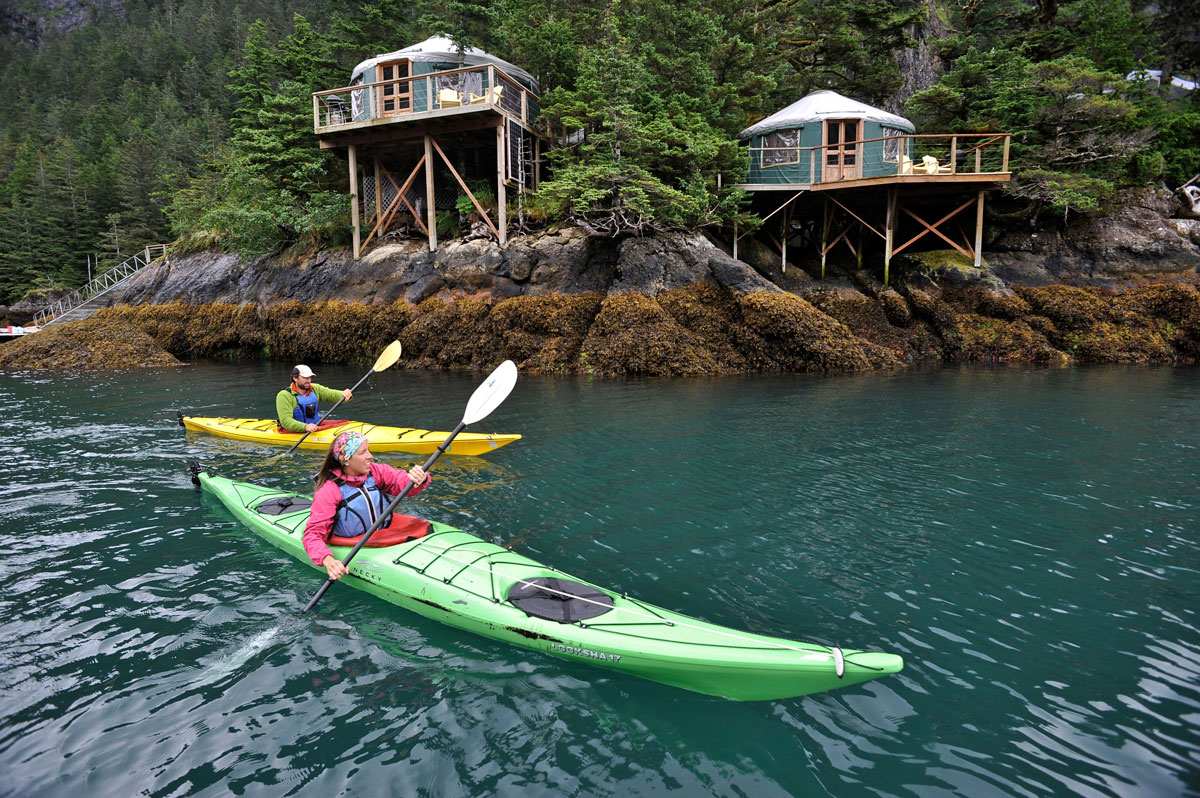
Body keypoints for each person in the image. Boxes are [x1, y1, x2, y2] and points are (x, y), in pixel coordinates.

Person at [303, 430, 430, 581]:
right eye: (363, 452)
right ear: (347, 460)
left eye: (368, 450)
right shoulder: (329, 490)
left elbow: (400, 482)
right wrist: (328, 561)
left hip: (386, 535)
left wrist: (418, 478)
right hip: (354, 542)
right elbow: (312, 535)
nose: (370, 456)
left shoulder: (375, 472)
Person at [276, 364, 353, 433]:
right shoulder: (284, 396)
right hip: (293, 431)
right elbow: (286, 421)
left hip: (315, 427)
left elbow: (331, 394)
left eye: (310, 377)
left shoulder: (314, 388)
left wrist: (344, 394)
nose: (308, 380)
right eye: (305, 377)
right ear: (295, 378)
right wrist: (305, 427)